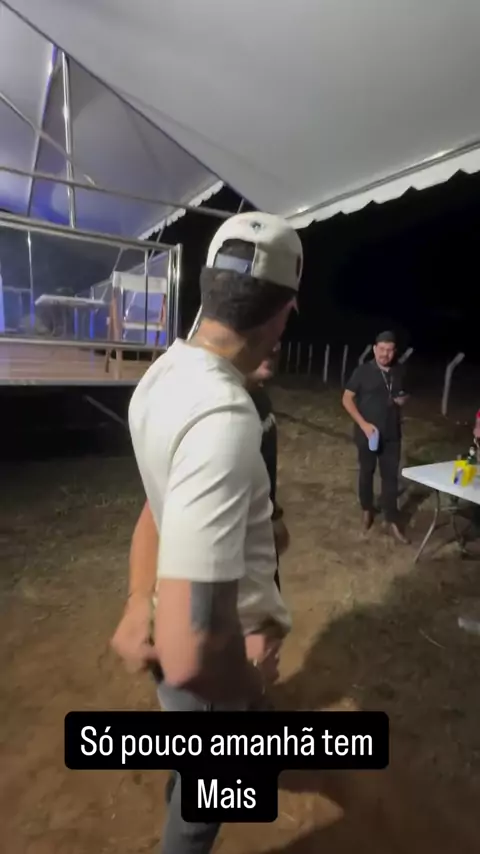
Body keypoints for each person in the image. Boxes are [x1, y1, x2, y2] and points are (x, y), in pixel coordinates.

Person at [114, 211, 303, 854]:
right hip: (220, 662)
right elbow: (193, 653)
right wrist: (248, 683)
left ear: (209, 289)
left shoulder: (163, 375)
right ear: (283, 314)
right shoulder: (224, 416)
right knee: (200, 817)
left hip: (189, 638)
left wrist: (138, 599)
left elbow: (155, 508)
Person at [342, 330, 409, 543]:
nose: (385, 354)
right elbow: (346, 399)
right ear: (374, 349)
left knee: (390, 477)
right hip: (368, 434)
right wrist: (363, 425)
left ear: (394, 351)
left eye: (390, 350)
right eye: (381, 349)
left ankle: (391, 519)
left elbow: (404, 393)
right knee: (366, 472)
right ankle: (367, 511)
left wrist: (402, 400)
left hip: (392, 434)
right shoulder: (363, 371)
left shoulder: (399, 370)